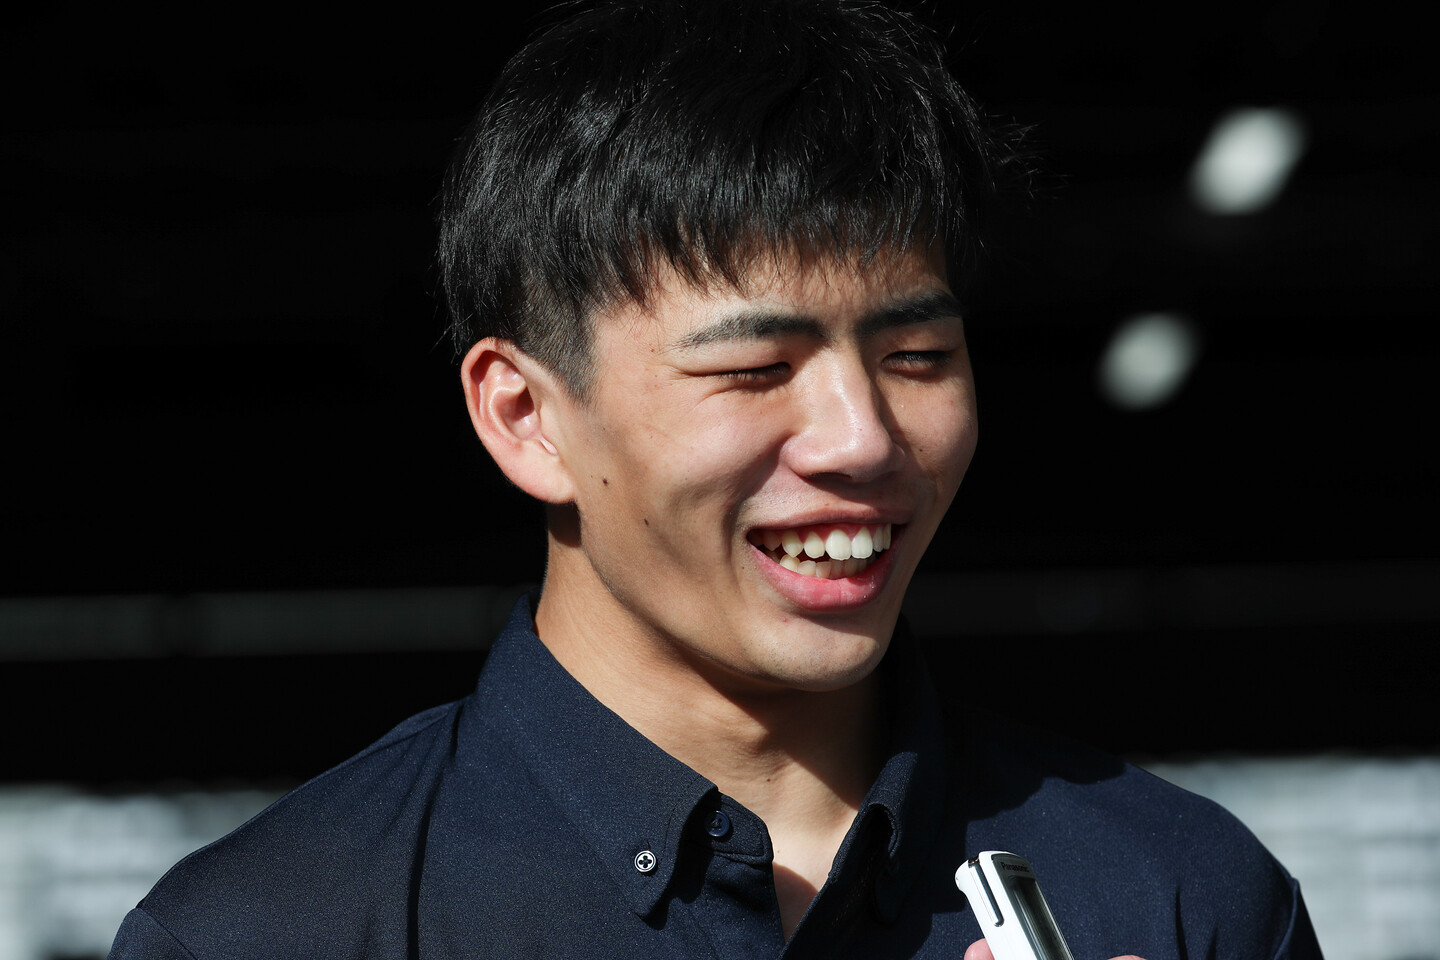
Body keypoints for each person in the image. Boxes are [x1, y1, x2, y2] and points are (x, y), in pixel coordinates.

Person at [109, 1, 1323, 957]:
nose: (860, 438)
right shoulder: (276, 932)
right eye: (754, 368)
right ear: (526, 417)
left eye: (917, 355)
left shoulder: (1179, 899)